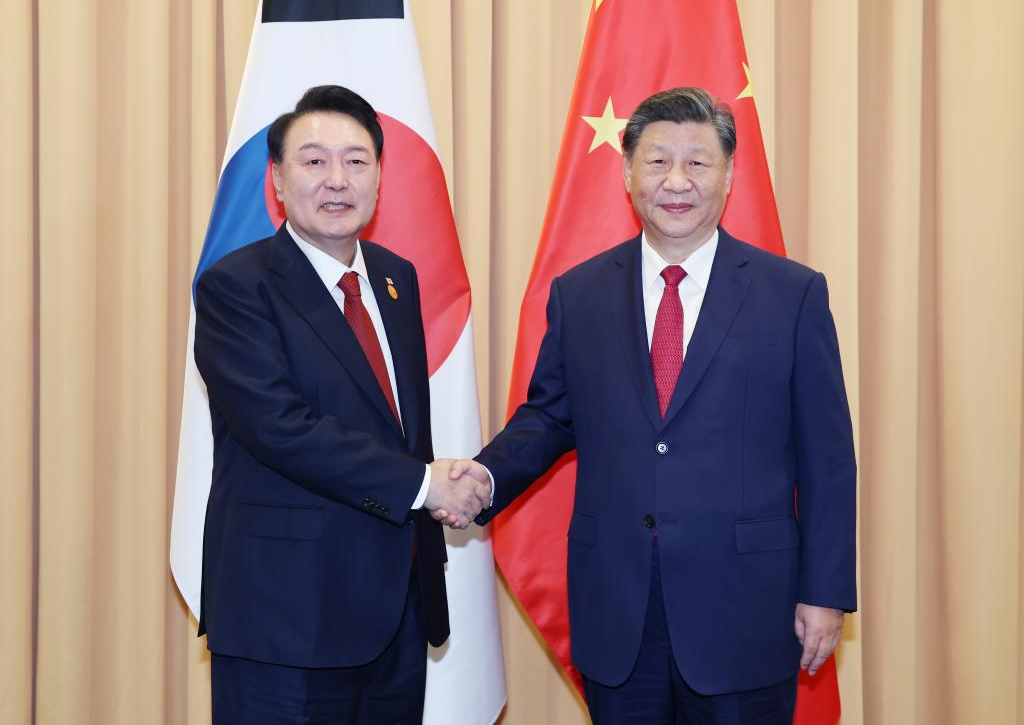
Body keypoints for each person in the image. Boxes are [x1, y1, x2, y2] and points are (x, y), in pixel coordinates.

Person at [445, 87, 857, 723]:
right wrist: (485, 475)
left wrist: (826, 592)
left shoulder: (792, 294)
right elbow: (551, 415)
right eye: (658, 160)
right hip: (619, 608)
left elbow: (828, 459)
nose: (677, 180)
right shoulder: (579, 293)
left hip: (747, 610)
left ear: (729, 175)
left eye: (698, 162)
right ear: (627, 172)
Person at [193, 85, 490, 724]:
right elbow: (278, 428)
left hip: (395, 616)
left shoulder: (395, 278)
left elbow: (401, 429)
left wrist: (438, 484)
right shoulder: (235, 287)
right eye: (314, 161)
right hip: (285, 619)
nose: (337, 179)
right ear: (277, 180)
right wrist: (424, 485)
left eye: (356, 161)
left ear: (380, 178)